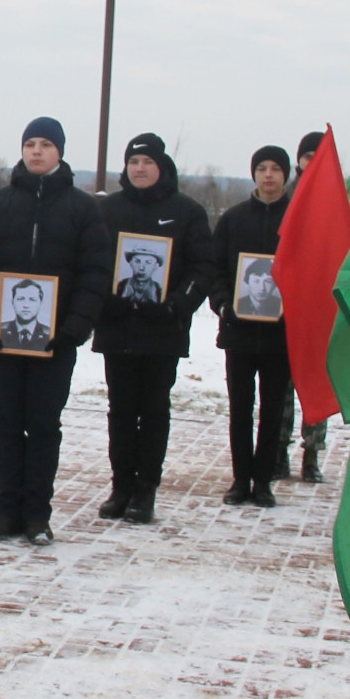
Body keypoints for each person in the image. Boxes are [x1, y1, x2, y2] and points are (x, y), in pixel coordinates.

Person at [0, 117, 110, 545]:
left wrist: (72, 330)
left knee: (43, 427)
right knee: (6, 425)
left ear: (60, 151)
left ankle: (37, 515)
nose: (37, 151)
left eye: (46, 144)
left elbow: (94, 274)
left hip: (54, 344)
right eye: (30, 144)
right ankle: (6, 511)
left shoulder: (83, 210)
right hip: (1, 341)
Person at [92, 132, 216, 523]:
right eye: (133, 163)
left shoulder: (186, 211)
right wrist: (101, 299)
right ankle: (121, 487)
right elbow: (92, 261)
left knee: (154, 410)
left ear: (161, 167)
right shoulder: (107, 210)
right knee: (121, 411)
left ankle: (146, 490)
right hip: (117, 327)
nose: (140, 169)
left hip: (163, 331)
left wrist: (179, 304)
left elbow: (204, 267)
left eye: (147, 162)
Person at [211, 144, 293, 508]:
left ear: (286, 175)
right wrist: (224, 305)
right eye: (262, 168)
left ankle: (263, 481)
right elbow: (215, 270)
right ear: (254, 174)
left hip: (280, 334)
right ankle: (240, 479)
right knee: (240, 408)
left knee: (273, 410)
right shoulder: (233, 219)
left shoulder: (298, 218)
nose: (269, 175)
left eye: (276, 168)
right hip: (239, 332)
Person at [277, 130, 332, 482]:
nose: (311, 162)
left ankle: (311, 455)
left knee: (314, 387)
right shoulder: (286, 197)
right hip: (284, 307)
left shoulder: (335, 201)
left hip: (318, 307)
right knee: (281, 388)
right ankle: (278, 452)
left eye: (318, 155)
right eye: (307, 155)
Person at [0, 277, 53, 350]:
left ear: (40, 303)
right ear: (12, 302)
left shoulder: (50, 334)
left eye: (32, 300)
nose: (26, 305)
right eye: (21, 299)